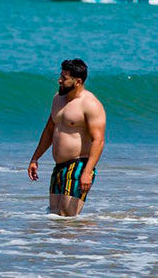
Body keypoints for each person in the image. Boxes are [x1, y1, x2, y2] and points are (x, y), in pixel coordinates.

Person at [27, 59, 106, 217]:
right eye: (60, 76)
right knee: (55, 216)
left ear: (78, 81)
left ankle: (87, 240)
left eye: (64, 78)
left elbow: (98, 141)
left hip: (78, 166)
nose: (59, 80)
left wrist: (87, 172)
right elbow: (49, 130)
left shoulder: (90, 104)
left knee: (67, 217)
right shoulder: (58, 99)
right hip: (59, 167)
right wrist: (35, 158)